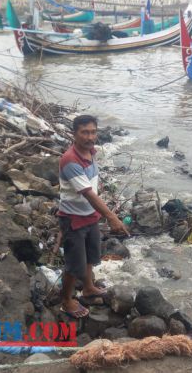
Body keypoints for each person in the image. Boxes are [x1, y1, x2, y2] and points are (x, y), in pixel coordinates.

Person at [52, 115, 129, 318]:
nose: (90, 136)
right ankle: (66, 300)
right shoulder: (69, 160)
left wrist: (102, 213)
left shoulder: (90, 152)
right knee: (73, 263)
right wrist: (111, 216)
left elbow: (92, 185)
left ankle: (88, 287)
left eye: (93, 132)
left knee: (91, 254)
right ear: (74, 134)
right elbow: (88, 193)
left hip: (90, 215)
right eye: (84, 132)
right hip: (73, 219)